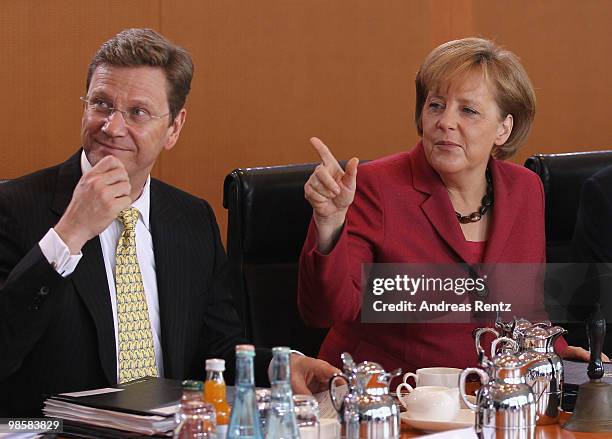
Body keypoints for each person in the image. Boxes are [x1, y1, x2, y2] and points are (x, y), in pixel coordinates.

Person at [0, 28, 336, 416]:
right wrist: (70, 233)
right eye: (100, 104)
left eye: (137, 112)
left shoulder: (191, 219)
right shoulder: (15, 208)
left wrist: (280, 366)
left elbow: (216, 349)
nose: (111, 126)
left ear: (174, 128)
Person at [298, 37, 590, 374]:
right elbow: (325, 312)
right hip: (390, 397)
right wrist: (330, 223)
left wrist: (556, 354)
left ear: (503, 129)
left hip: (485, 398)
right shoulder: (374, 186)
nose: (445, 122)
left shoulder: (525, 188)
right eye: (436, 105)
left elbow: (526, 309)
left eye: (468, 110)